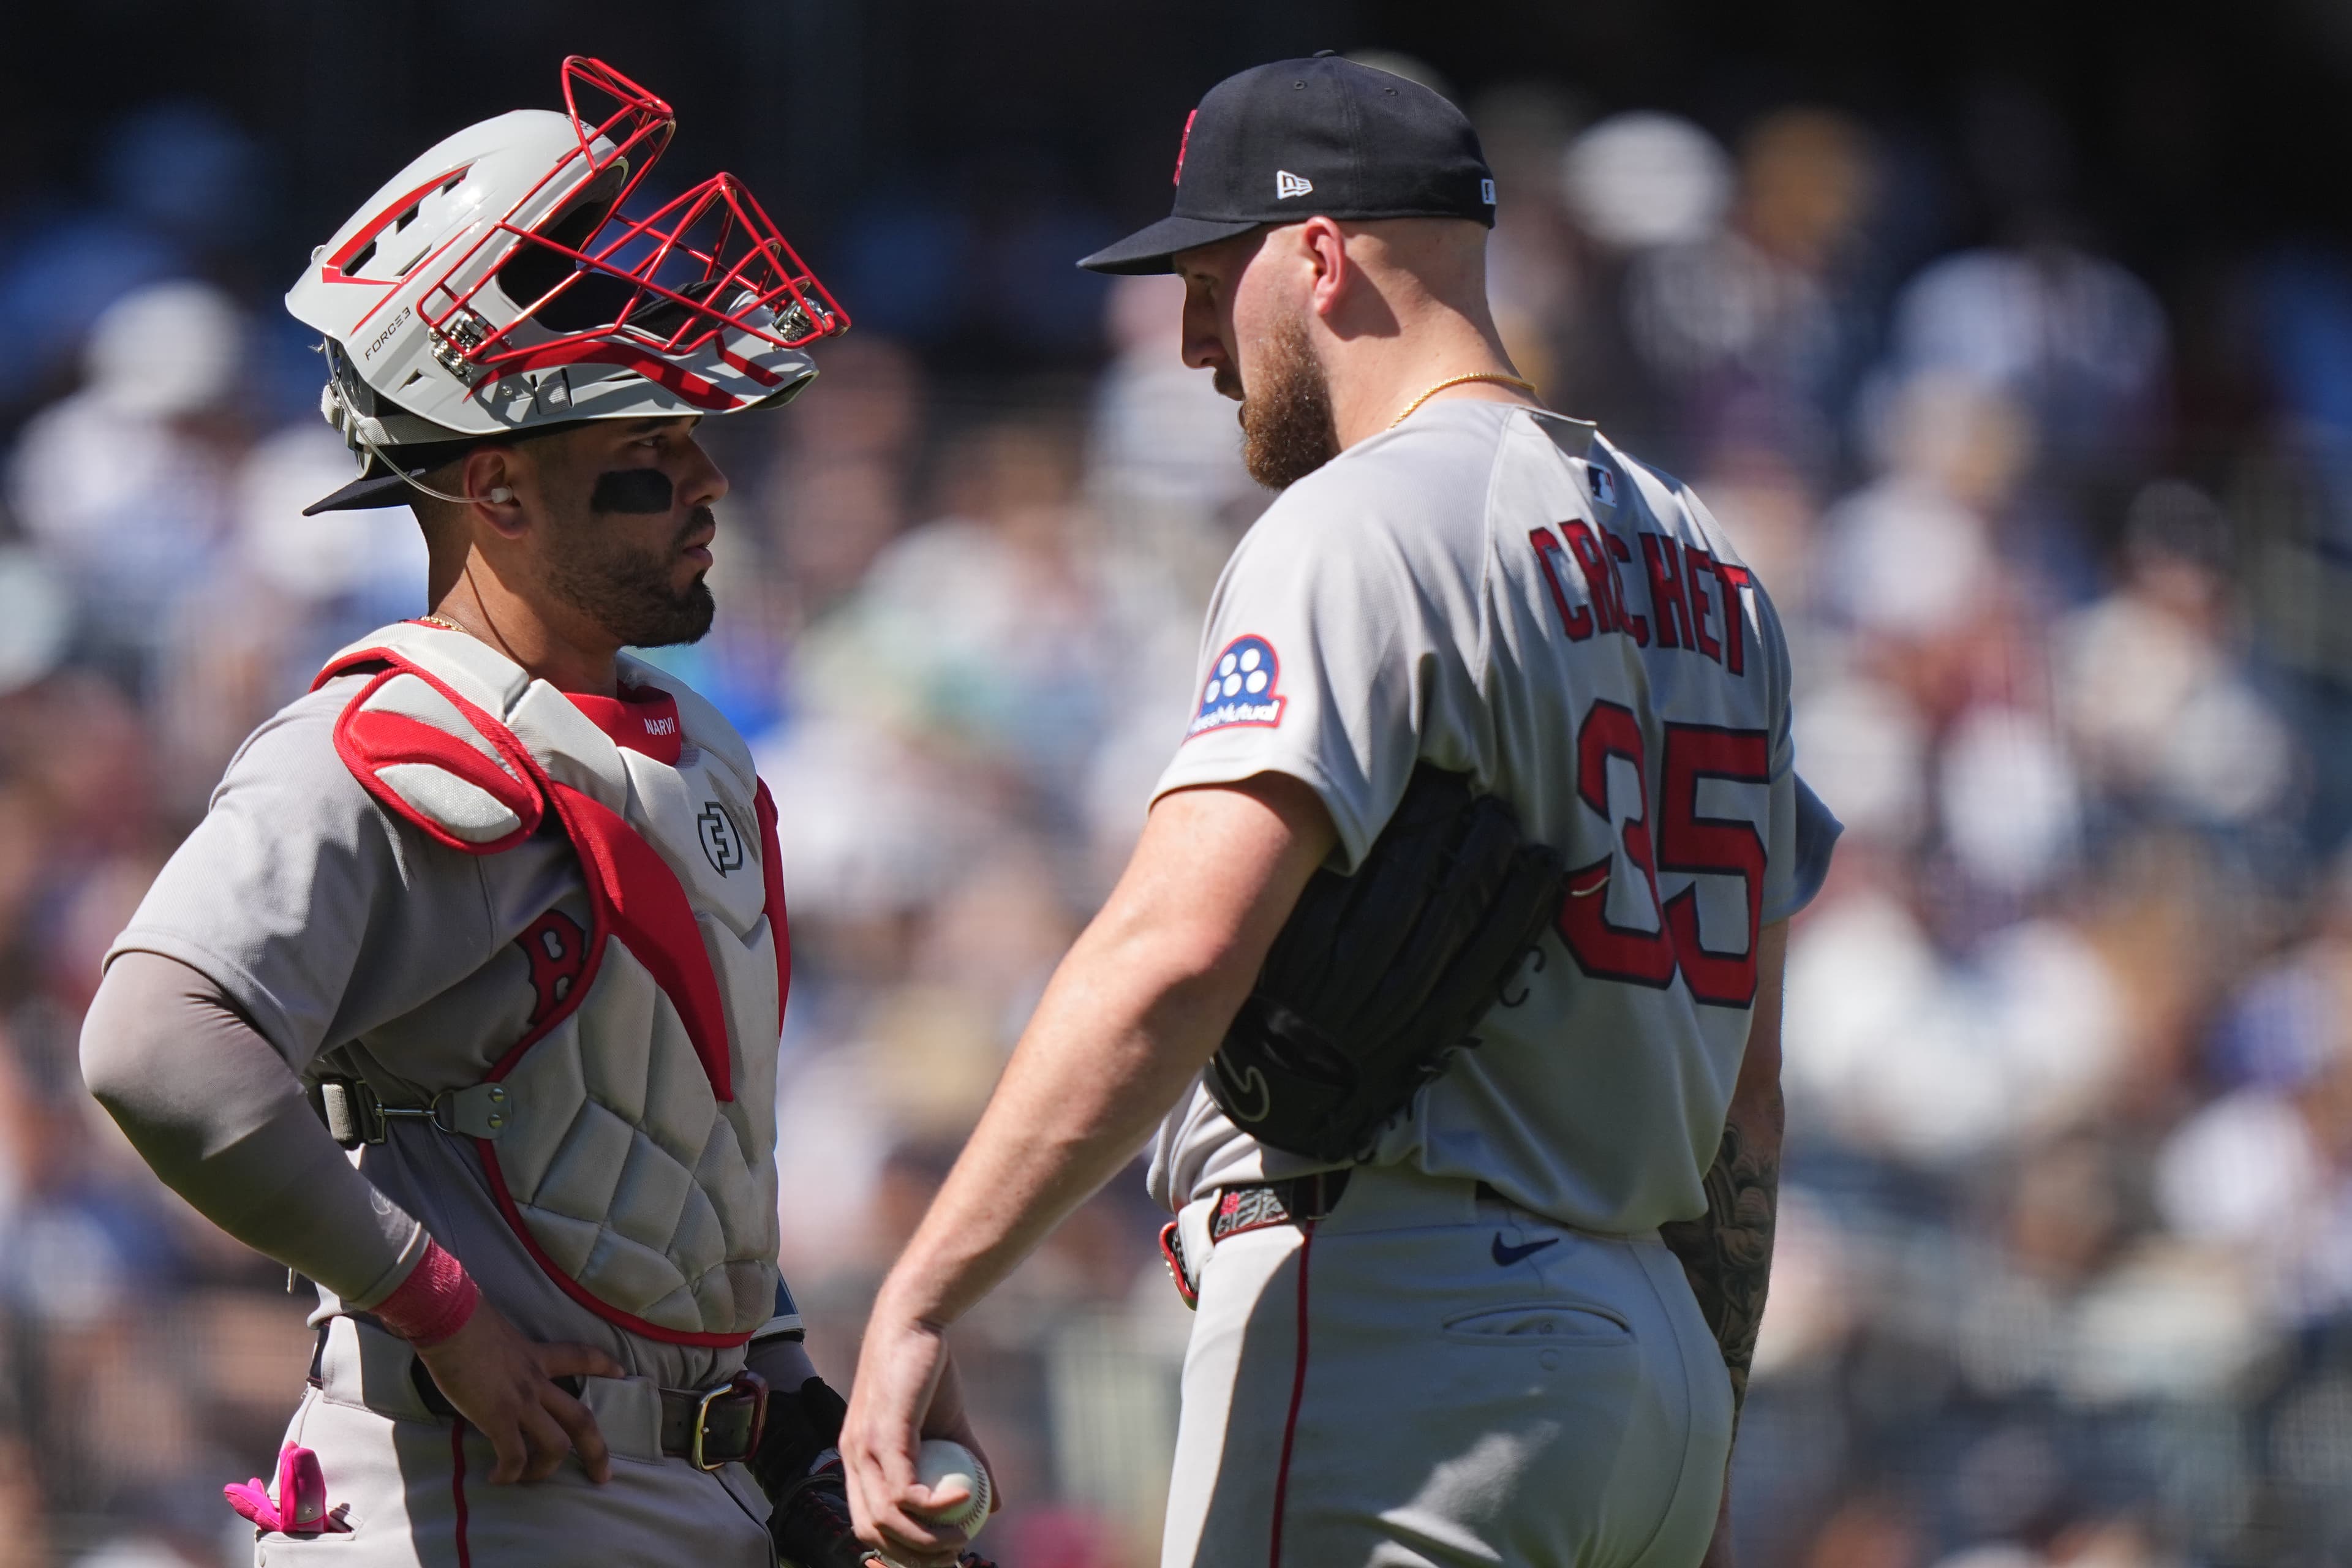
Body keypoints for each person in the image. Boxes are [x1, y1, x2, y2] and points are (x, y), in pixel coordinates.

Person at [840, 54, 1837, 1568]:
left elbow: (1181, 946)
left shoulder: (1366, 518)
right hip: (1652, 1365)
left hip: (1414, 1323)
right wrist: (1693, 1396)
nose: (1190, 341)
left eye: (1206, 276)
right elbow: (1746, 1087)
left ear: (1315, 255)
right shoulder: (1711, 561)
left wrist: (925, 1287)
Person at [78, 57, 986, 1568]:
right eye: (648, 454)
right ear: (493, 488)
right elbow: (152, 1040)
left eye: (695, 440)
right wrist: (428, 1299)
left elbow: (685, 1151)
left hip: (686, 1488)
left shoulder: (686, 737)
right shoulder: (379, 740)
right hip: (472, 1493)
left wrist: (792, 1420)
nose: (704, 483)